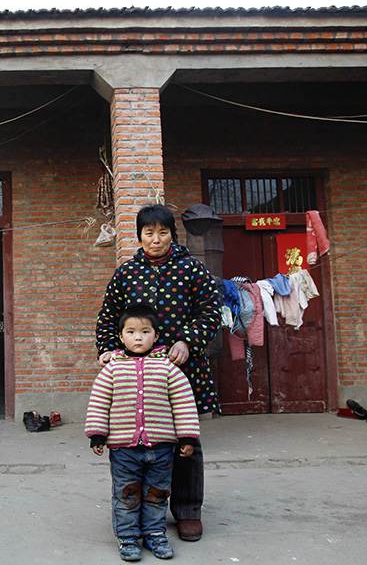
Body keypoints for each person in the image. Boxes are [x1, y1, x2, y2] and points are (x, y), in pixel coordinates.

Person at [96, 204, 220, 542]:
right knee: (139, 443)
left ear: (172, 234)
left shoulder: (191, 270)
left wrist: (188, 342)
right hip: (135, 376)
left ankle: (188, 509)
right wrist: (107, 349)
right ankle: (142, 514)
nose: (156, 239)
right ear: (139, 235)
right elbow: (107, 318)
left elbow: (212, 310)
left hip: (182, 370)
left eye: (162, 232)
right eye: (148, 233)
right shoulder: (126, 273)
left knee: (185, 439)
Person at [86, 304, 200, 561]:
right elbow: (99, 402)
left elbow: (183, 404)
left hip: (161, 449)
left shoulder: (169, 369)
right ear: (121, 336)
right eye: (131, 331)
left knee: (156, 494)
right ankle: (127, 538)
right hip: (124, 450)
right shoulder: (112, 369)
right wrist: (97, 434)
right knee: (127, 493)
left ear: (156, 336)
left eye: (145, 331)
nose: (138, 337)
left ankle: (155, 534)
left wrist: (187, 436)